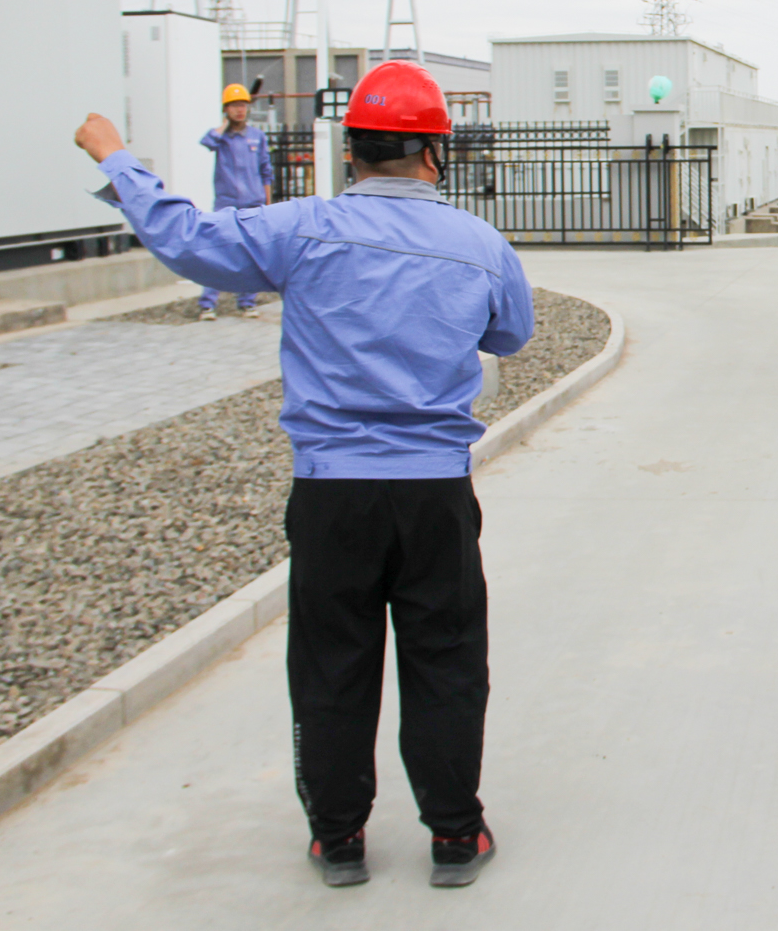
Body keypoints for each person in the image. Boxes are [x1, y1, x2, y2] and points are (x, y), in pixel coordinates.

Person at [73, 60, 529, 889]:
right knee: (448, 657)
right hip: (434, 491)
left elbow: (189, 240)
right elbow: (510, 335)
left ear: (351, 149)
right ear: (436, 152)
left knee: (332, 660)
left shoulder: (303, 229)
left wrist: (117, 157)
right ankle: (456, 833)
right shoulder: (480, 244)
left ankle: (339, 836)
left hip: (331, 491)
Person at [196, 83, 275, 319]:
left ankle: (247, 303)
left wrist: (267, 203)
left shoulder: (257, 136)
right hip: (226, 205)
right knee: (217, 253)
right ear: (226, 109)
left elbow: (266, 171)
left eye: (243, 105)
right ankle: (208, 304)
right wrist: (224, 125)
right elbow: (206, 142)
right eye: (234, 106)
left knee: (253, 256)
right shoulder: (221, 138)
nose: (239, 110)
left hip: (253, 204)